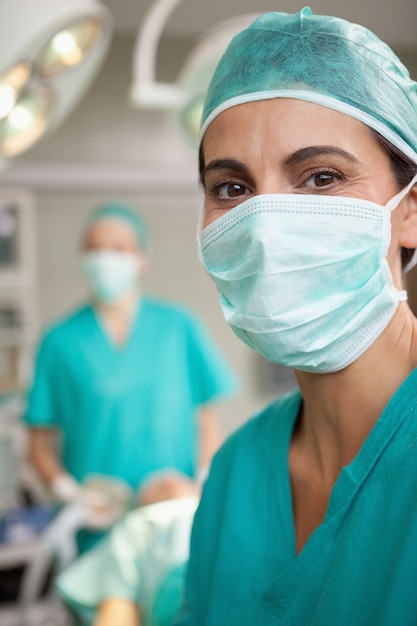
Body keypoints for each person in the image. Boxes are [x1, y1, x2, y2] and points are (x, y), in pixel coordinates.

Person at [174, 7, 417, 625]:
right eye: (231, 188)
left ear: (410, 211)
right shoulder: (236, 473)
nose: (265, 227)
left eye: (321, 176)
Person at [23, 202, 238, 552]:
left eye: (118, 248)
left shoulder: (178, 327)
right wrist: (71, 495)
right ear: (81, 258)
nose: (105, 258)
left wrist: (200, 485)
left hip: (173, 516)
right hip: (97, 527)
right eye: (95, 248)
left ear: (142, 259)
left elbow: (206, 422)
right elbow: (39, 446)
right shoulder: (59, 342)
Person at [55, 495, 198, 626]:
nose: (167, 478)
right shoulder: (138, 528)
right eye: (158, 487)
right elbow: (118, 613)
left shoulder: (142, 527)